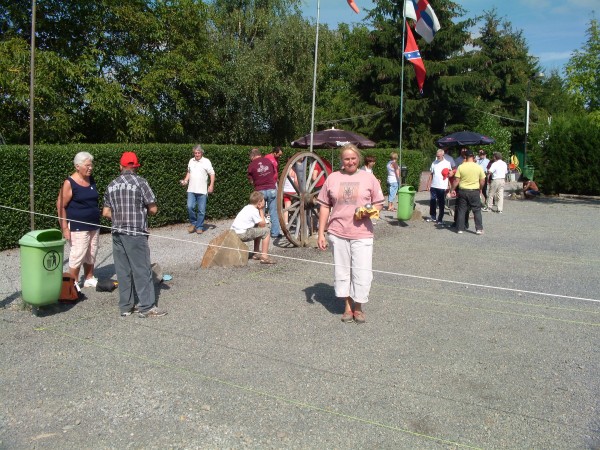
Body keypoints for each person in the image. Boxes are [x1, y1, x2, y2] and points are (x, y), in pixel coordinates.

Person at [317, 144, 384, 324]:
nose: (350, 161)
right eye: (346, 159)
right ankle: (347, 306)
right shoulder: (332, 178)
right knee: (342, 271)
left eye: (353, 158)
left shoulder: (368, 178)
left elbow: (379, 203)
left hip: (362, 233)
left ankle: (359, 307)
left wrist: (368, 211)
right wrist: (321, 232)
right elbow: (324, 205)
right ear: (342, 160)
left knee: (362, 272)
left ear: (358, 159)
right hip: (338, 232)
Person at [102, 152, 167, 318]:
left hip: (117, 232)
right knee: (142, 269)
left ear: (121, 166)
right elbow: (153, 209)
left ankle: (125, 306)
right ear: (135, 167)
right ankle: (147, 307)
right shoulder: (141, 183)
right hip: (136, 232)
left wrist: (120, 216)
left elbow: (106, 212)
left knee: (123, 270)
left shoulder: (111, 185)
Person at [56, 151, 100, 288]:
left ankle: (89, 277)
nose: (90, 168)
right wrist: (64, 228)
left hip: (94, 223)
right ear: (77, 166)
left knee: (92, 251)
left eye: (91, 165)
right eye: (87, 165)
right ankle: (73, 283)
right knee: (78, 254)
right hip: (77, 225)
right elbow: (60, 206)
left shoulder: (90, 179)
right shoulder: (69, 183)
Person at [231, 191, 275, 264]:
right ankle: (264, 257)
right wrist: (261, 210)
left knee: (258, 229)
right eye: (264, 200)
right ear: (259, 202)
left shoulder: (247, 207)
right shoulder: (254, 210)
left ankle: (256, 253)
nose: (265, 202)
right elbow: (263, 225)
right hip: (242, 234)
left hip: (234, 233)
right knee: (266, 231)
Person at [247, 148, 281, 238]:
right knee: (273, 211)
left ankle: (261, 233)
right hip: (272, 189)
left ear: (253, 156)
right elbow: (274, 173)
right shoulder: (268, 161)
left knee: (259, 212)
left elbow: (250, 180)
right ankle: (275, 233)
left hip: (260, 190)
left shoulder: (251, 165)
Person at [180, 145, 215, 235]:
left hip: (202, 190)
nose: (197, 154)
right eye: (195, 153)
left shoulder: (206, 161)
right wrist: (185, 180)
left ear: (201, 153)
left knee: (201, 210)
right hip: (191, 189)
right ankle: (193, 223)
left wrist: (211, 185)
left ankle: (199, 227)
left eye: (198, 153)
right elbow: (189, 172)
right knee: (189, 206)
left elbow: (212, 174)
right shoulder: (191, 161)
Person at [450, 149, 485, 235]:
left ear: (465, 157)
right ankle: (479, 229)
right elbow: (482, 180)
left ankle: (460, 228)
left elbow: (456, 180)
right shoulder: (478, 167)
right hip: (474, 191)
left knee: (461, 210)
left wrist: (452, 189)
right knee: (476, 210)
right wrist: (481, 189)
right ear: (473, 157)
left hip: (463, 191)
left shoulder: (461, 167)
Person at [426, 149, 452, 224]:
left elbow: (450, 175)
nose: (437, 157)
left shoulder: (447, 163)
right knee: (432, 201)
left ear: (443, 155)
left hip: (442, 186)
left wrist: (449, 185)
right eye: (437, 156)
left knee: (441, 202)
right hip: (434, 185)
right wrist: (428, 184)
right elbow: (431, 174)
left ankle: (440, 219)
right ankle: (433, 216)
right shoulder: (434, 163)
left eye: (439, 156)